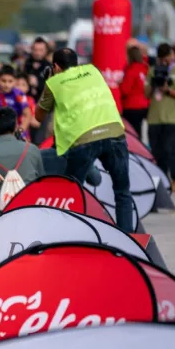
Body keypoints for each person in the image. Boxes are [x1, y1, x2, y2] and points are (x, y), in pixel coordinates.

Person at [35, 48, 134, 233]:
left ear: (55, 66)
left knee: (72, 192)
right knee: (122, 191)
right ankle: (127, 239)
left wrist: (48, 83)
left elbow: (39, 116)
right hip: (114, 131)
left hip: (83, 140)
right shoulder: (93, 71)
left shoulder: (54, 82)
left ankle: (73, 235)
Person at [146, 43, 175, 193]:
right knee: (157, 151)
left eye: (169, 56)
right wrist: (154, 82)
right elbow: (146, 94)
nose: (166, 59)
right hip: (155, 117)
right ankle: (163, 179)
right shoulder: (151, 70)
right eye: (163, 57)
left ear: (172, 56)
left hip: (173, 118)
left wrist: (168, 90)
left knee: (170, 149)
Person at [0, 65, 32, 141]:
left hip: (16, 134)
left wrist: (20, 131)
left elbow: (28, 114)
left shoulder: (19, 94)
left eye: (10, 81)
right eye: (3, 81)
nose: (6, 84)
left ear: (15, 81)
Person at [121, 45, 150, 137]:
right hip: (144, 105)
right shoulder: (145, 68)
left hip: (131, 106)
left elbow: (125, 90)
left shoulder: (131, 70)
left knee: (132, 133)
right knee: (138, 131)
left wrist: (120, 84)